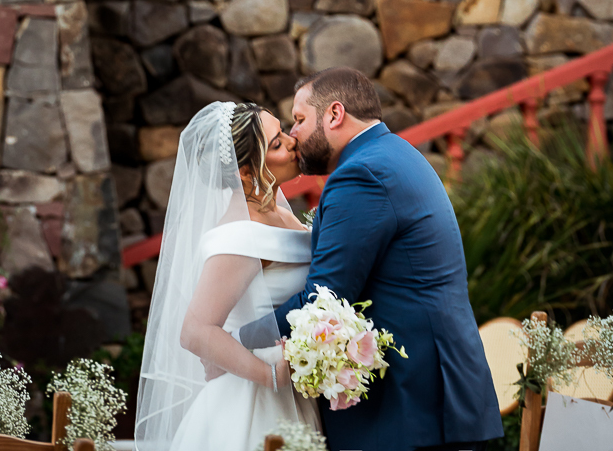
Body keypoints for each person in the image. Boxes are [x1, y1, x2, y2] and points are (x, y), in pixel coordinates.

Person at [239, 66, 502, 451]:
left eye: (298, 120)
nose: (292, 135)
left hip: (411, 405)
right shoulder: (391, 153)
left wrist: (238, 338)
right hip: (435, 396)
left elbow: (324, 299)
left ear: (334, 114)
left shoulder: (360, 175)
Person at [135, 100, 321, 451]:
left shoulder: (278, 207)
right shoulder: (239, 234)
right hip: (253, 403)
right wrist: (270, 375)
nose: (292, 141)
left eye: (282, 132)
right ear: (247, 174)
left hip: (294, 391)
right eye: (277, 143)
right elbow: (195, 332)